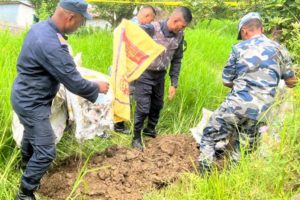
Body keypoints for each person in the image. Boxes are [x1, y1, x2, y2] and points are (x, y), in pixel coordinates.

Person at [11, 0, 109, 199]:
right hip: (32, 102)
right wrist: (98, 87)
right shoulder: (51, 43)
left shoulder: (41, 28)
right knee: (46, 151)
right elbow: (75, 83)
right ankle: (25, 192)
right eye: (81, 21)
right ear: (71, 17)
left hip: (25, 95)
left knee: (31, 136)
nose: (81, 26)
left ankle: (25, 167)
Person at [198, 12, 297, 175]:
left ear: (244, 31)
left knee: (210, 135)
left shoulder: (239, 48)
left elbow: (226, 80)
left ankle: (204, 176)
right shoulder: (281, 50)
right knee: (242, 152)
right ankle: (233, 181)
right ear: (262, 28)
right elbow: (292, 82)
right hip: (262, 112)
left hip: (236, 105)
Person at [131, 6, 192, 150]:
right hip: (144, 74)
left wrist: (174, 83)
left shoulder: (180, 35)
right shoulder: (152, 28)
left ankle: (150, 129)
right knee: (143, 107)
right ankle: (136, 137)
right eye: (182, 26)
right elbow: (131, 36)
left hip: (160, 75)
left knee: (157, 105)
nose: (182, 29)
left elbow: (177, 60)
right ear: (175, 20)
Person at [113, 5, 157, 134]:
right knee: (124, 93)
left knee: (124, 94)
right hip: (125, 69)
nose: (151, 23)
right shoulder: (133, 27)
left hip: (124, 68)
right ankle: (119, 125)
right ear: (146, 15)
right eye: (151, 19)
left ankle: (120, 123)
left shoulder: (129, 25)